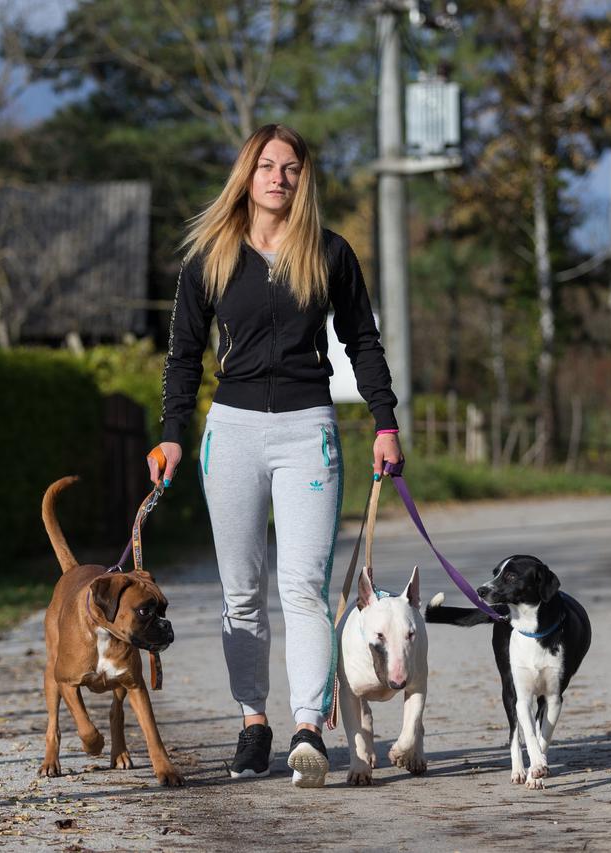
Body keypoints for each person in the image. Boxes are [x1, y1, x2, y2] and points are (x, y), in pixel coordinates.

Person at [147, 124, 403, 788]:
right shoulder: (211, 256)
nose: (279, 177)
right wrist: (173, 430)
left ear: (303, 179)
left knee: (304, 590)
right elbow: (182, 354)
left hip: (307, 429)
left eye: (291, 168)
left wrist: (384, 420)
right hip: (229, 432)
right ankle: (253, 721)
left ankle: (308, 727)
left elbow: (363, 342)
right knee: (240, 592)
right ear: (246, 172)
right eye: (267, 165)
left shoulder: (329, 253)